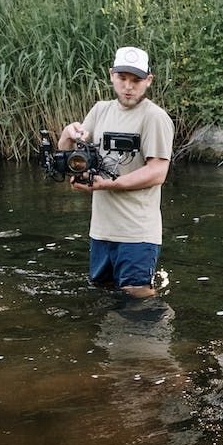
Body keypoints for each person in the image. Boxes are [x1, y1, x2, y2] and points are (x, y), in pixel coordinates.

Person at [56, 46, 175, 299]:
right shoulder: (100, 110)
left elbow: (157, 172)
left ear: (148, 81)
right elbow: (71, 160)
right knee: (104, 296)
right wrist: (66, 135)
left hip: (137, 233)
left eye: (136, 80)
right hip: (101, 231)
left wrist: (109, 184)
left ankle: (161, 335)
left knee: (137, 298)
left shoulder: (155, 118)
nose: (128, 86)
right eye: (122, 78)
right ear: (111, 75)